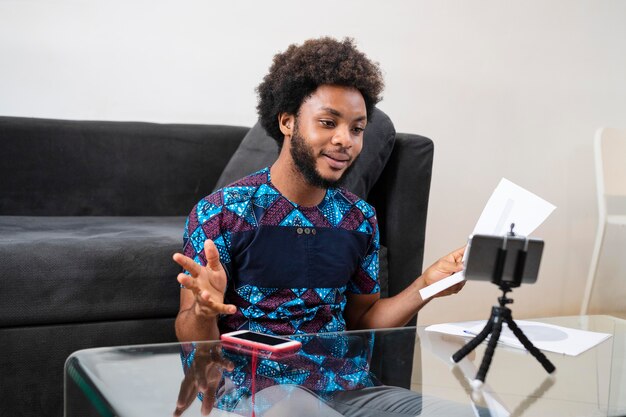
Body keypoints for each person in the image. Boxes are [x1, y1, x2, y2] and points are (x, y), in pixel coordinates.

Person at [172, 37, 468, 416]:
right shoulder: (220, 212)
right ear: (287, 121)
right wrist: (203, 310)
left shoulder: (359, 218)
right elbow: (191, 339)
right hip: (259, 392)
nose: (345, 140)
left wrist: (427, 285)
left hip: (348, 391)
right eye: (328, 123)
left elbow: (364, 321)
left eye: (357, 128)